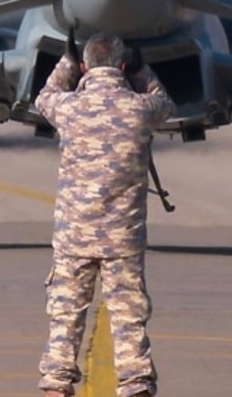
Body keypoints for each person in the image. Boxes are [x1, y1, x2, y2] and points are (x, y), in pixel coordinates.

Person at [35, 31, 175, 397]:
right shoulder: (140, 109)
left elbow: (44, 97)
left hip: (74, 237)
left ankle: (56, 386)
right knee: (128, 317)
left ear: (85, 66)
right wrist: (143, 72)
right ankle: (135, 384)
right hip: (122, 239)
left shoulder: (69, 108)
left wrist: (66, 63)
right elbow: (165, 102)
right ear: (122, 66)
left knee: (65, 317)